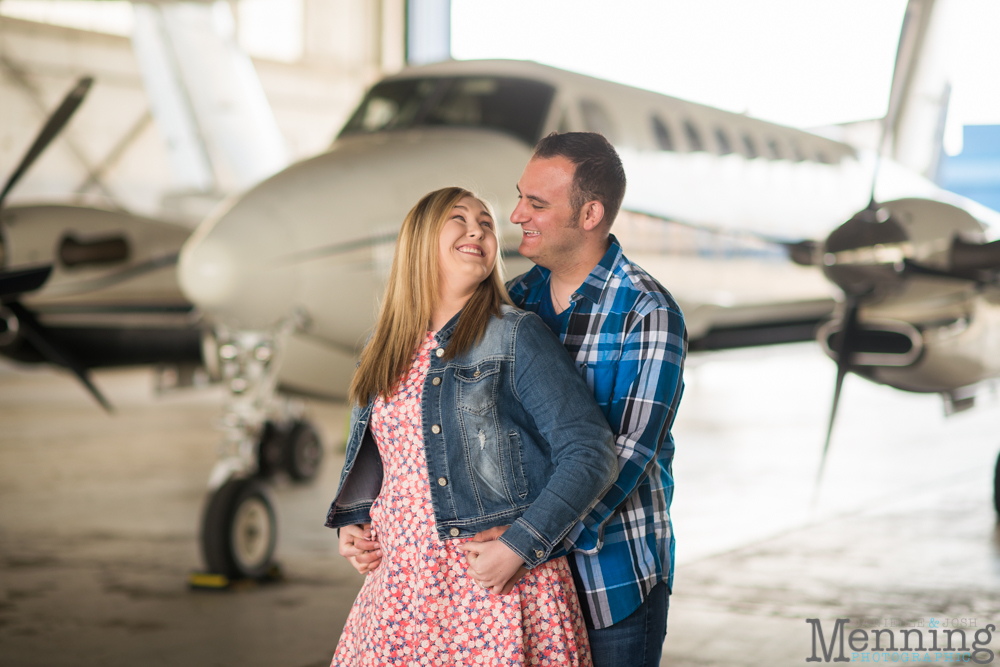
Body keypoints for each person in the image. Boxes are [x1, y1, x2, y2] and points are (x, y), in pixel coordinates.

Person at [325, 186, 619, 666]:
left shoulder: (515, 335)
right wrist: (353, 524)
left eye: (486, 222)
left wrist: (521, 545)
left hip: (493, 590)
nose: (478, 229)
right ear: (420, 239)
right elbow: (384, 456)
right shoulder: (382, 346)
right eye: (459, 218)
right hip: (401, 591)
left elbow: (591, 451)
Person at [498, 131, 687, 667]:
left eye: (536, 203)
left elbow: (627, 454)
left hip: (611, 576)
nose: (516, 215)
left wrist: (526, 543)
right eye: (520, 197)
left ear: (589, 215)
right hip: (522, 576)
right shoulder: (512, 302)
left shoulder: (646, 312)